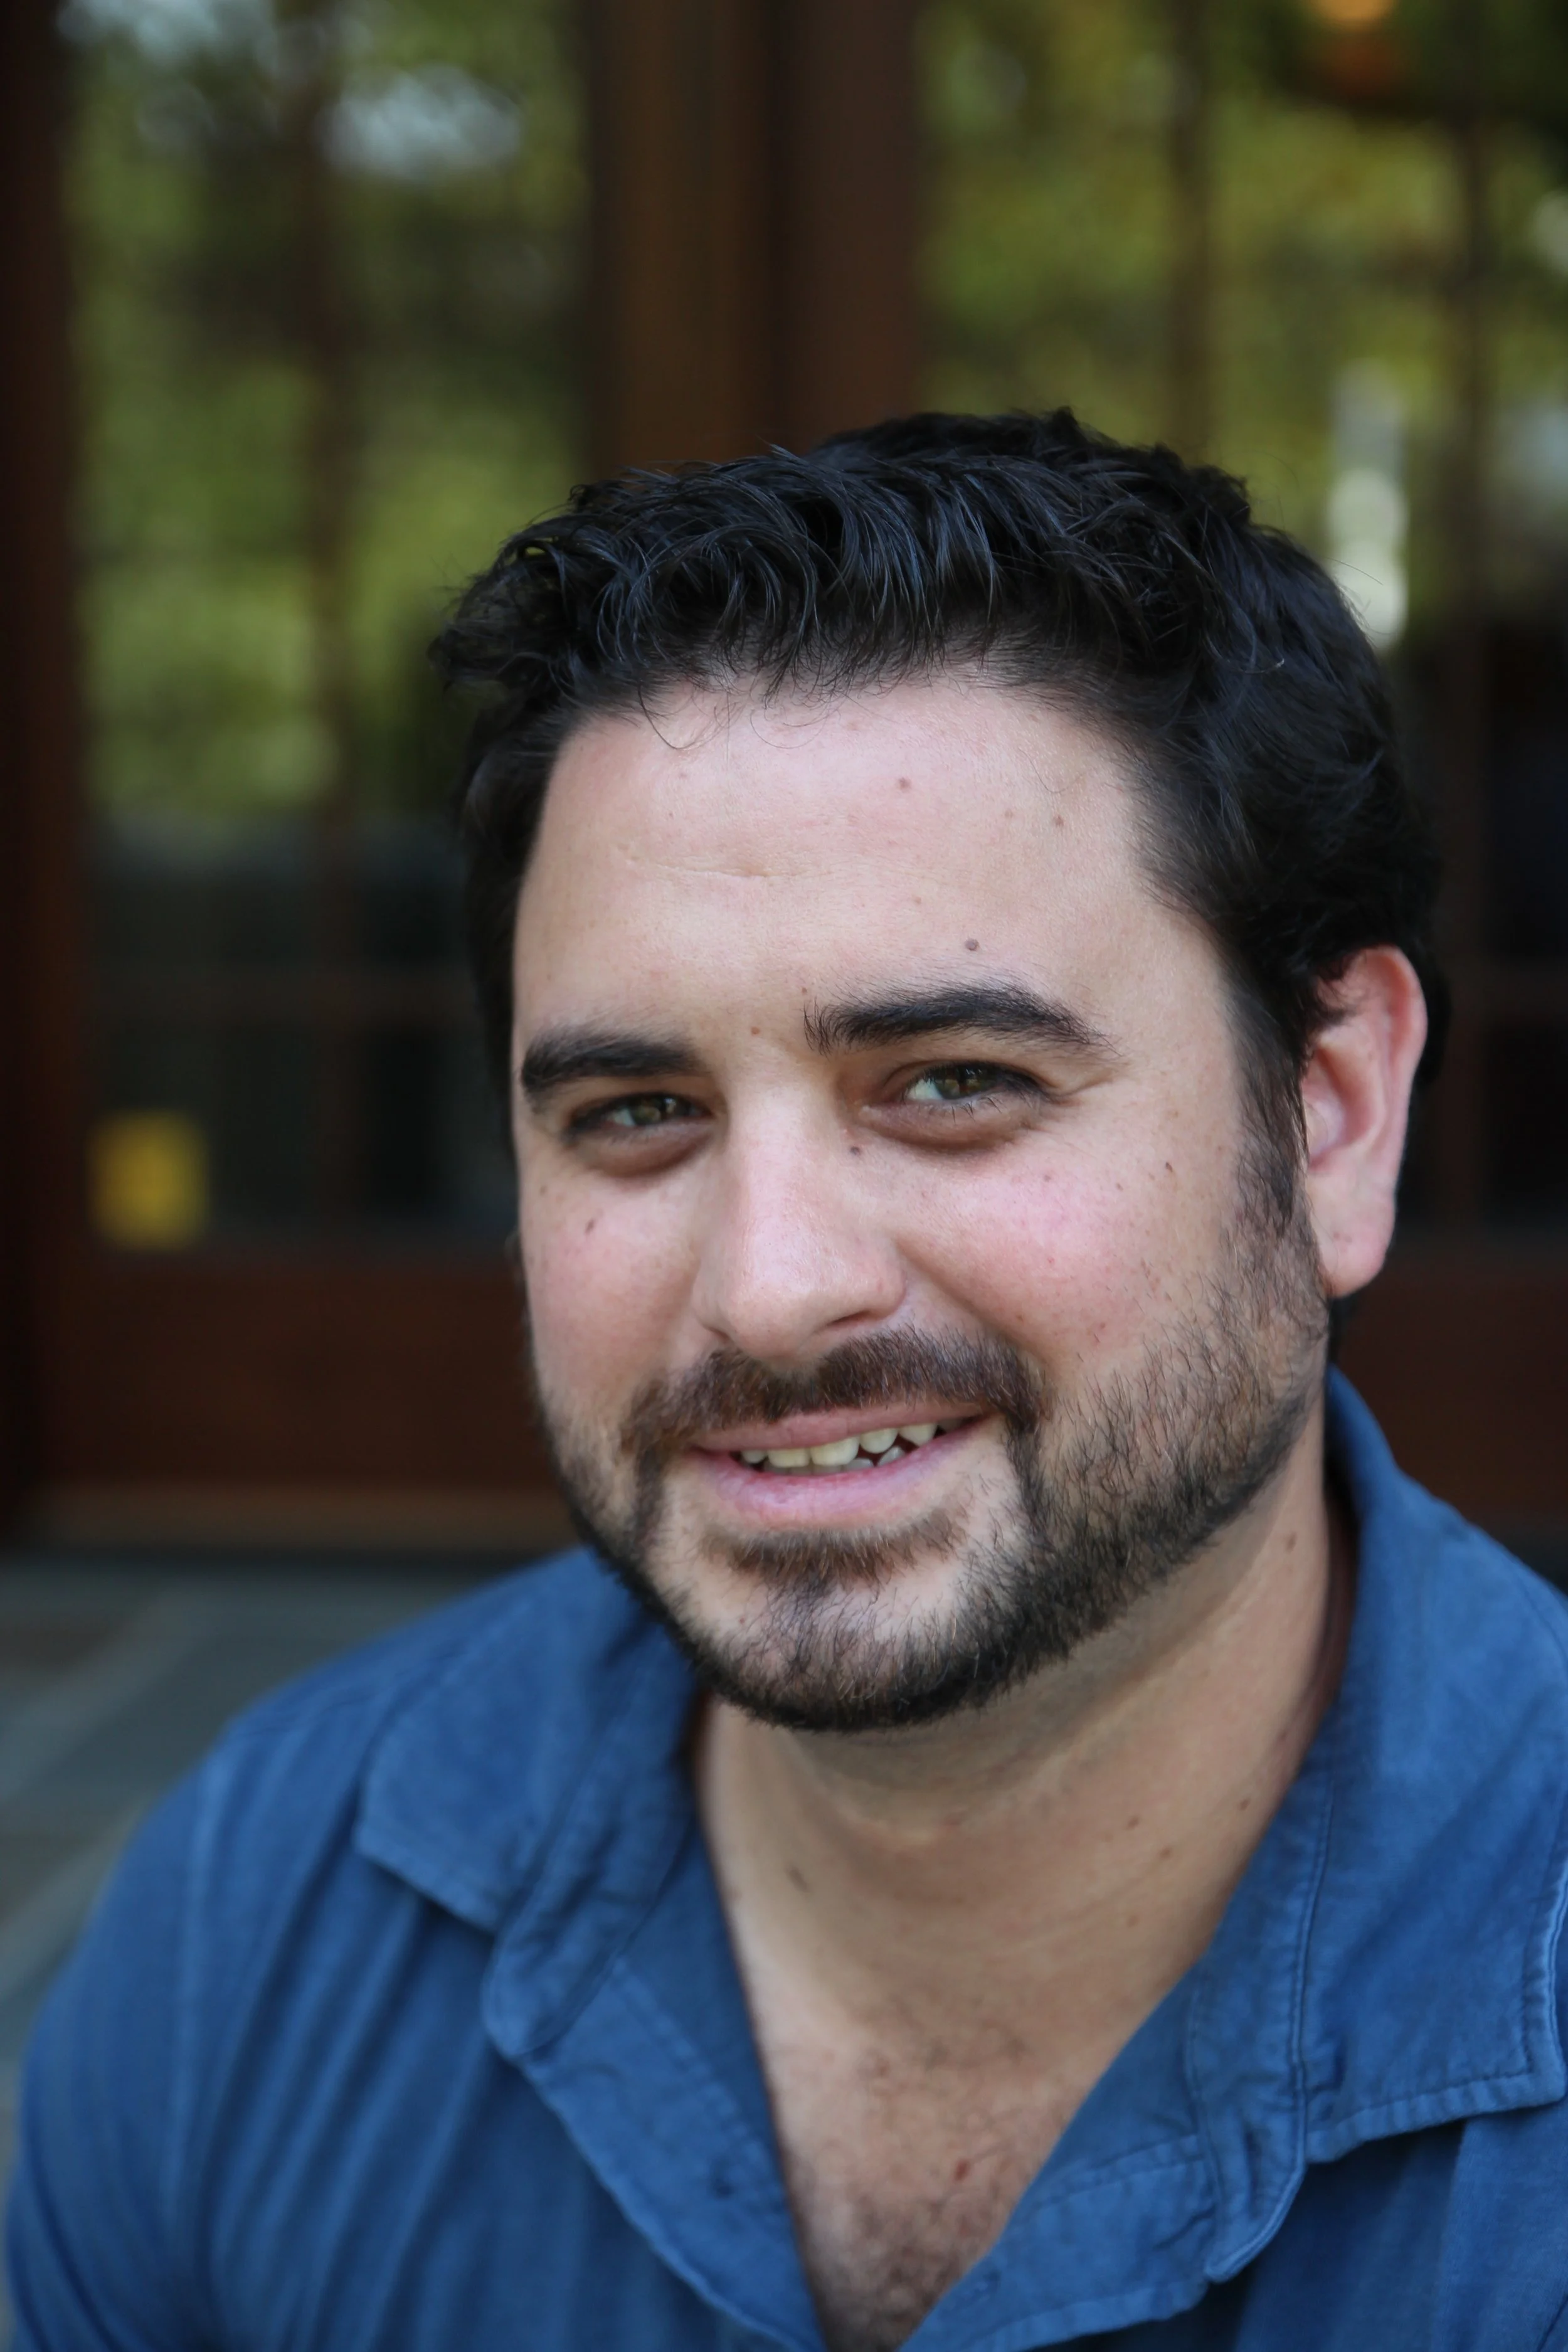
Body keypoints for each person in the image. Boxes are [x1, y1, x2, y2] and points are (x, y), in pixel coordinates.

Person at [9, 411, 1568, 2352]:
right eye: (636, 1109)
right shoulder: (264, 1909)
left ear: (1328, 1117)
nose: (765, 1287)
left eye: (952, 1082)